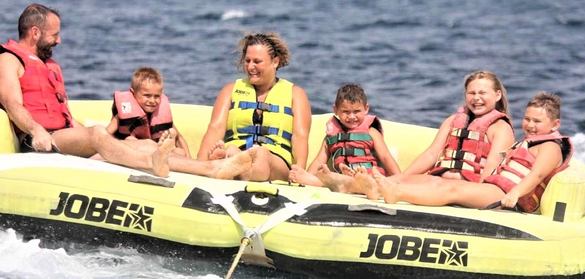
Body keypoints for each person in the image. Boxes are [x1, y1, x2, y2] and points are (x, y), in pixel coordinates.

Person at [0, 3, 173, 177]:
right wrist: (36, 131)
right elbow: (11, 103)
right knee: (97, 133)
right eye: (55, 35)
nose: (58, 40)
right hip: (39, 140)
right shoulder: (9, 60)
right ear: (35, 33)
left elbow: (64, 115)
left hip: (63, 137)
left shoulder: (50, 67)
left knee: (144, 145)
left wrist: (101, 139)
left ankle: (197, 169)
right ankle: (151, 163)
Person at [357, 92, 573, 213]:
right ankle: (382, 187)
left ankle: (398, 194)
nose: (530, 125)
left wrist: (515, 193)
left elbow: (536, 175)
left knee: (452, 189)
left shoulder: (551, 147)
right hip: (494, 188)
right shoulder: (526, 143)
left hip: (507, 198)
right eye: (527, 119)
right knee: (435, 181)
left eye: (537, 121)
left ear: (555, 124)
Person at [322, 70, 515, 195]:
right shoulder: (453, 121)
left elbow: (491, 170)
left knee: (441, 187)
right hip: (442, 180)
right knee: (413, 181)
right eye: (472, 93)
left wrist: (476, 195)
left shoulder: (500, 128)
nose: (476, 98)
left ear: (497, 95)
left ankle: (360, 186)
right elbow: (432, 154)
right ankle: (348, 184)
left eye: (483, 93)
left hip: (473, 188)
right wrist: (401, 177)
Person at [196, 32, 312, 181]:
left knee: (262, 155)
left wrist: (299, 173)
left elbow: (300, 136)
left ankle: (236, 164)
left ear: (275, 62)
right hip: (238, 151)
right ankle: (237, 162)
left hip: (275, 161)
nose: (251, 67)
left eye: (257, 61)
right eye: (247, 61)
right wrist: (200, 164)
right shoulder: (230, 90)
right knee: (233, 153)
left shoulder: (296, 94)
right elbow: (215, 128)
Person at [288, 83, 401, 187]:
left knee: (338, 180)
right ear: (335, 110)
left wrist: (400, 180)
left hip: (370, 176)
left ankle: (360, 181)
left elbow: (386, 157)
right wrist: (308, 175)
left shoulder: (371, 132)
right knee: (327, 176)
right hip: (343, 178)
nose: (351, 116)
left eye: (356, 111)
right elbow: (319, 161)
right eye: (346, 112)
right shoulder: (331, 136)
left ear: (366, 109)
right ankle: (320, 180)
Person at [106, 67, 190, 157]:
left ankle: (162, 155)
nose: (152, 101)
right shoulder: (122, 115)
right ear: (133, 93)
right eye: (147, 96)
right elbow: (105, 135)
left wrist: (190, 159)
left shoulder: (160, 114)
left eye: (157, 96)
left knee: (180, 152)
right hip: (130, 150)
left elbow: (179, 138)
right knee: (130, 139)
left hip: (154, 150)